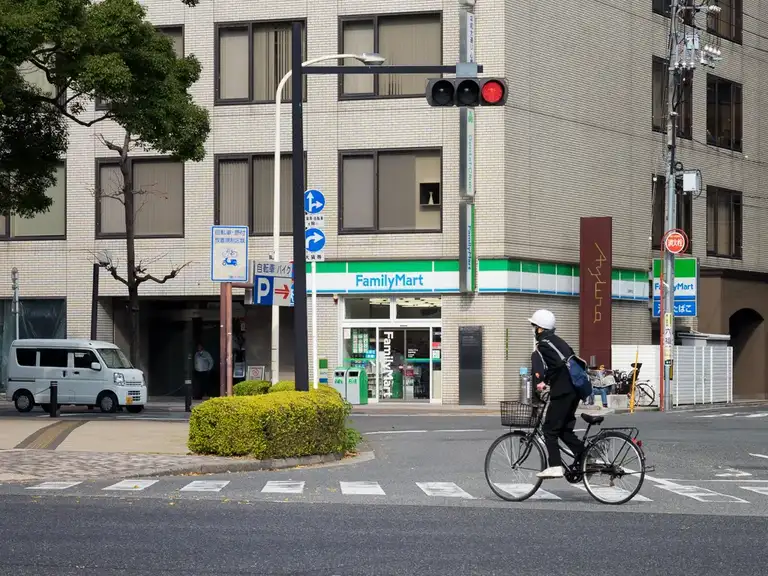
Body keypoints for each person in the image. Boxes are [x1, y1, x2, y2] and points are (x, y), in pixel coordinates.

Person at [529, 309, 586, 479]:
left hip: (563, 392)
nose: (533, 330)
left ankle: (555, 465)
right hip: (575, 391)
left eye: (534, 326)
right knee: (564, 430)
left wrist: (541, 386)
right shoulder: (559, 342)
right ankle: (587, 457)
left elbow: (547, 371)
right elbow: (560, 366)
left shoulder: (543, 345)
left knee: (549, 429)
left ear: (539, 329)